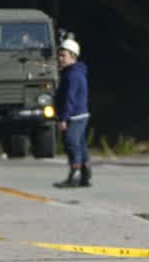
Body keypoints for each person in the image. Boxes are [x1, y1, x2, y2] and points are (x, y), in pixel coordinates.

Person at [54, 37, 91, 188]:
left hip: (74, 116)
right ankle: (85, 175)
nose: (60, 58)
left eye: (64, 55)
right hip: (80, 114)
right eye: (59, 55)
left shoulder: (73, 75)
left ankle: (75, 175)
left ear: (73, 56)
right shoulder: (72, 72)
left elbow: (70, 99)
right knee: (80, 144)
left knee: (71, 143)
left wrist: (63, 118)